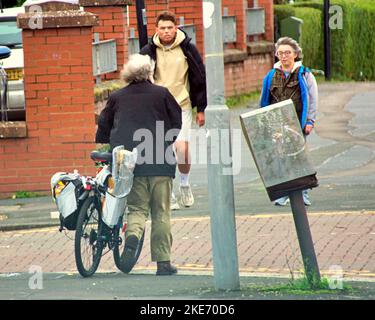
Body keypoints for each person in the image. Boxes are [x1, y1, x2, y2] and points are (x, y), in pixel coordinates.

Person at [95, 54, 182, 275]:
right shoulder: (162, 94)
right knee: (161, 213)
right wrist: (166, 142)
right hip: (160, 161)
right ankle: (163, 263)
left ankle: (132, 237)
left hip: (131, 164)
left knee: (136, 209)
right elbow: (176, 120)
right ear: (149, 72)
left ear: (127, 74)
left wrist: (106, 140)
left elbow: (104, 123)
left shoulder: (117, 97)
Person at [140, 11, 207, 210]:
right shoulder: (147, 51)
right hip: (157, 108)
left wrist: (201, 109)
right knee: (163, 152)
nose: (167, 31)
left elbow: (199, 78)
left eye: (170, 28)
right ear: (156, 30)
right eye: (163, 28)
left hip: (182, 106)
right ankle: (168, 193)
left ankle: (184, 184)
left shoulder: (187, 49)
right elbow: (139, 79)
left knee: (182, 150)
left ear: (176, 28)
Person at [260, 37, 318, 206]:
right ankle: (283, 194)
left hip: (297, 123)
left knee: (299, 158)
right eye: (281, 53)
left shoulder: (305, 74)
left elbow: (313, 99)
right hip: (277, 124)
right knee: (280, 157)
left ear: (295, 54)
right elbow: (264, 100)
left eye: (288, 53)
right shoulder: (271, 76)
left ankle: (304, 193)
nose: (284, 56)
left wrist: (310, 121)